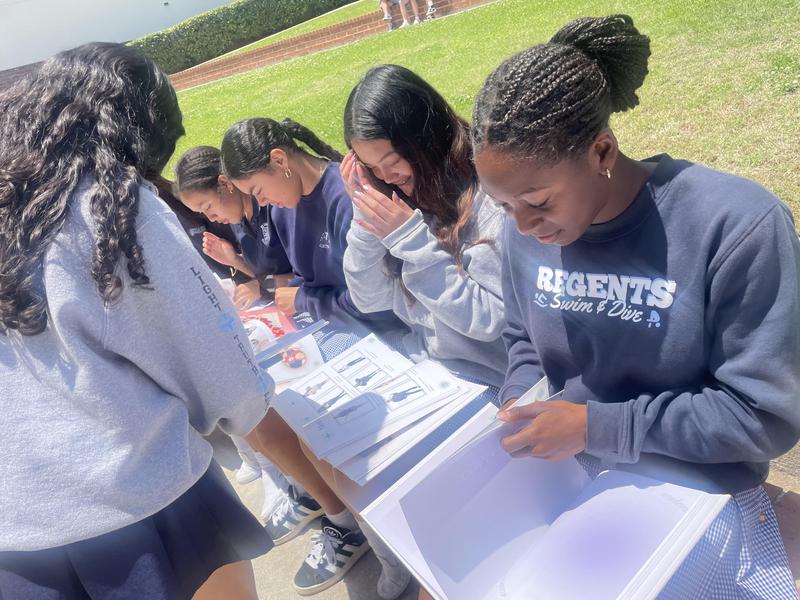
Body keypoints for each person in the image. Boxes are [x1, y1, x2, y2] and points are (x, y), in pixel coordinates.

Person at [470, 14, 800, 598]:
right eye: (502, 205)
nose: (521, 225)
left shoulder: (734, 225)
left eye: (537, 202)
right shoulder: (528, 230)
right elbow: (522, 337)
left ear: (602, 150)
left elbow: (764, 417)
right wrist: (522, 396)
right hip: (567, 477)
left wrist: (599, 427)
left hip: (697, 493)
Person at [0, 43, 275, 600]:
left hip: (16, 531)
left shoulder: (13, 203)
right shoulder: (114, 206)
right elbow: (222, 377)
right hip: (140, 504)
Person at [341, 64, 508, 389]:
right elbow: (370, 300)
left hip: (486, 381)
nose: (387, 176)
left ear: (426, 138)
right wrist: (366, 220)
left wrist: (413, 243)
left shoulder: (491, 199)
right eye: (372, 167)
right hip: (425, 369)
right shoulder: (397, 196)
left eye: (392, 161)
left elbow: (490, 320)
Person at [220, 117, 398, 329]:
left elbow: (379, 302)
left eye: (258, 191)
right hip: (323, 321)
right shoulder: (281, 210)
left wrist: (304, 300)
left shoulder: (347, 199)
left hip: (375, 331)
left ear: (279, 160)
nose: (261, 203)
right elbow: (306, 279)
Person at [174, 145, 293, 310]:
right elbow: (269, 274)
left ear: (225, 184)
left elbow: (302, 283)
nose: (211, 218)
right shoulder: (238, 220)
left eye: (208, 206)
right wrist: (235, 261)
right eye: (202, 212)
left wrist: (259, 286)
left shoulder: (272, 204)